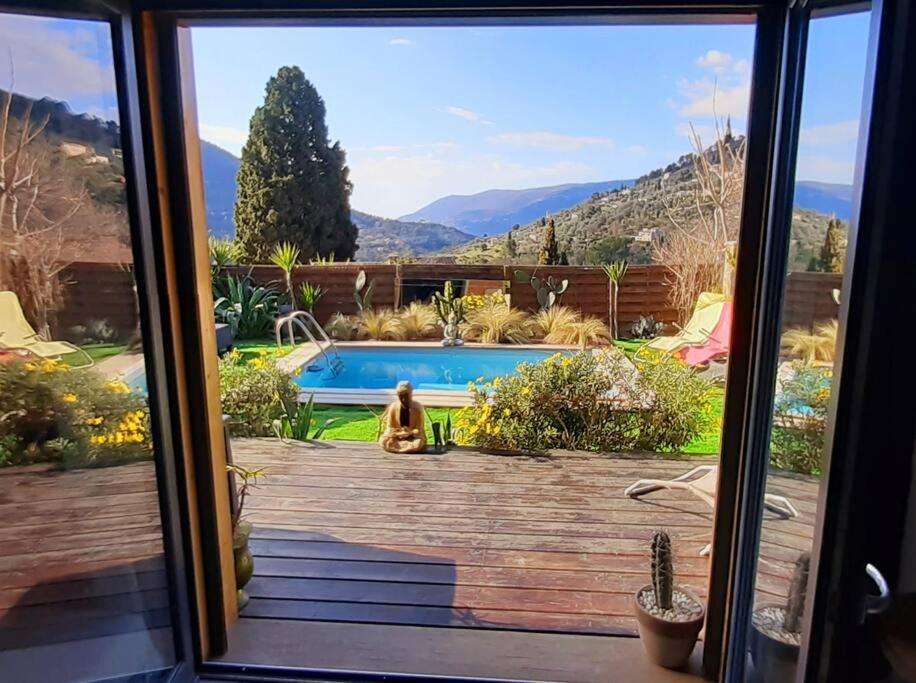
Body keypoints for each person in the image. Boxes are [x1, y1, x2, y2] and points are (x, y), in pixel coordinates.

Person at [379, 380, 427, 453]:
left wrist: (410, 433)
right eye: (401, 396)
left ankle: (401, 447)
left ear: (411, 394)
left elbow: (419, 430)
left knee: (418, 443)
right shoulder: (393, 407)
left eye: (406, 395)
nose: (403, 399)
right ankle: (404, 448)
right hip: (397, 437)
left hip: (412, 438)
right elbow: (390, 428)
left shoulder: (417, 408)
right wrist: (399, 434)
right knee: (383, 440)